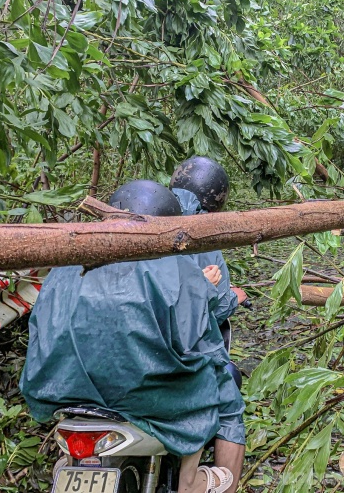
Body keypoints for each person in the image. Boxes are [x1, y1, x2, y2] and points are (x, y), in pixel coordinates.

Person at [19, 180, 240, 493]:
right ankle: (197, 482)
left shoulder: (66, 265)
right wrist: (204, 290)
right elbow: (197, 338)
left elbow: (41, 330)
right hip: (142, 396)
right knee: (225, 395)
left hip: (64, 392)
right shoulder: (175, 266)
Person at [170, 156, 247, 492]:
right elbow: (209, 310)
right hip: (168, 353)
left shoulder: (142, 216)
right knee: (229, 406)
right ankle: (224, 485)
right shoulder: (203, 234)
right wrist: (232, 298)